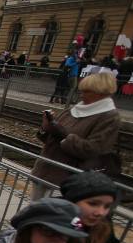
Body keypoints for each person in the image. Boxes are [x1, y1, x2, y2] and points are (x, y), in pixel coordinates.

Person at [30, 72, 121, 200]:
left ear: (101, 93)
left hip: (66, 179)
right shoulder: (73, 110)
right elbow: (52, 138)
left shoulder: (109, 117)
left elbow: (92, 149)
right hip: (44, 170)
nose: (81, 94)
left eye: (86, 91)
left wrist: (64, 135)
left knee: (52, 211)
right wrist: (46, 128)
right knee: (35, 208)